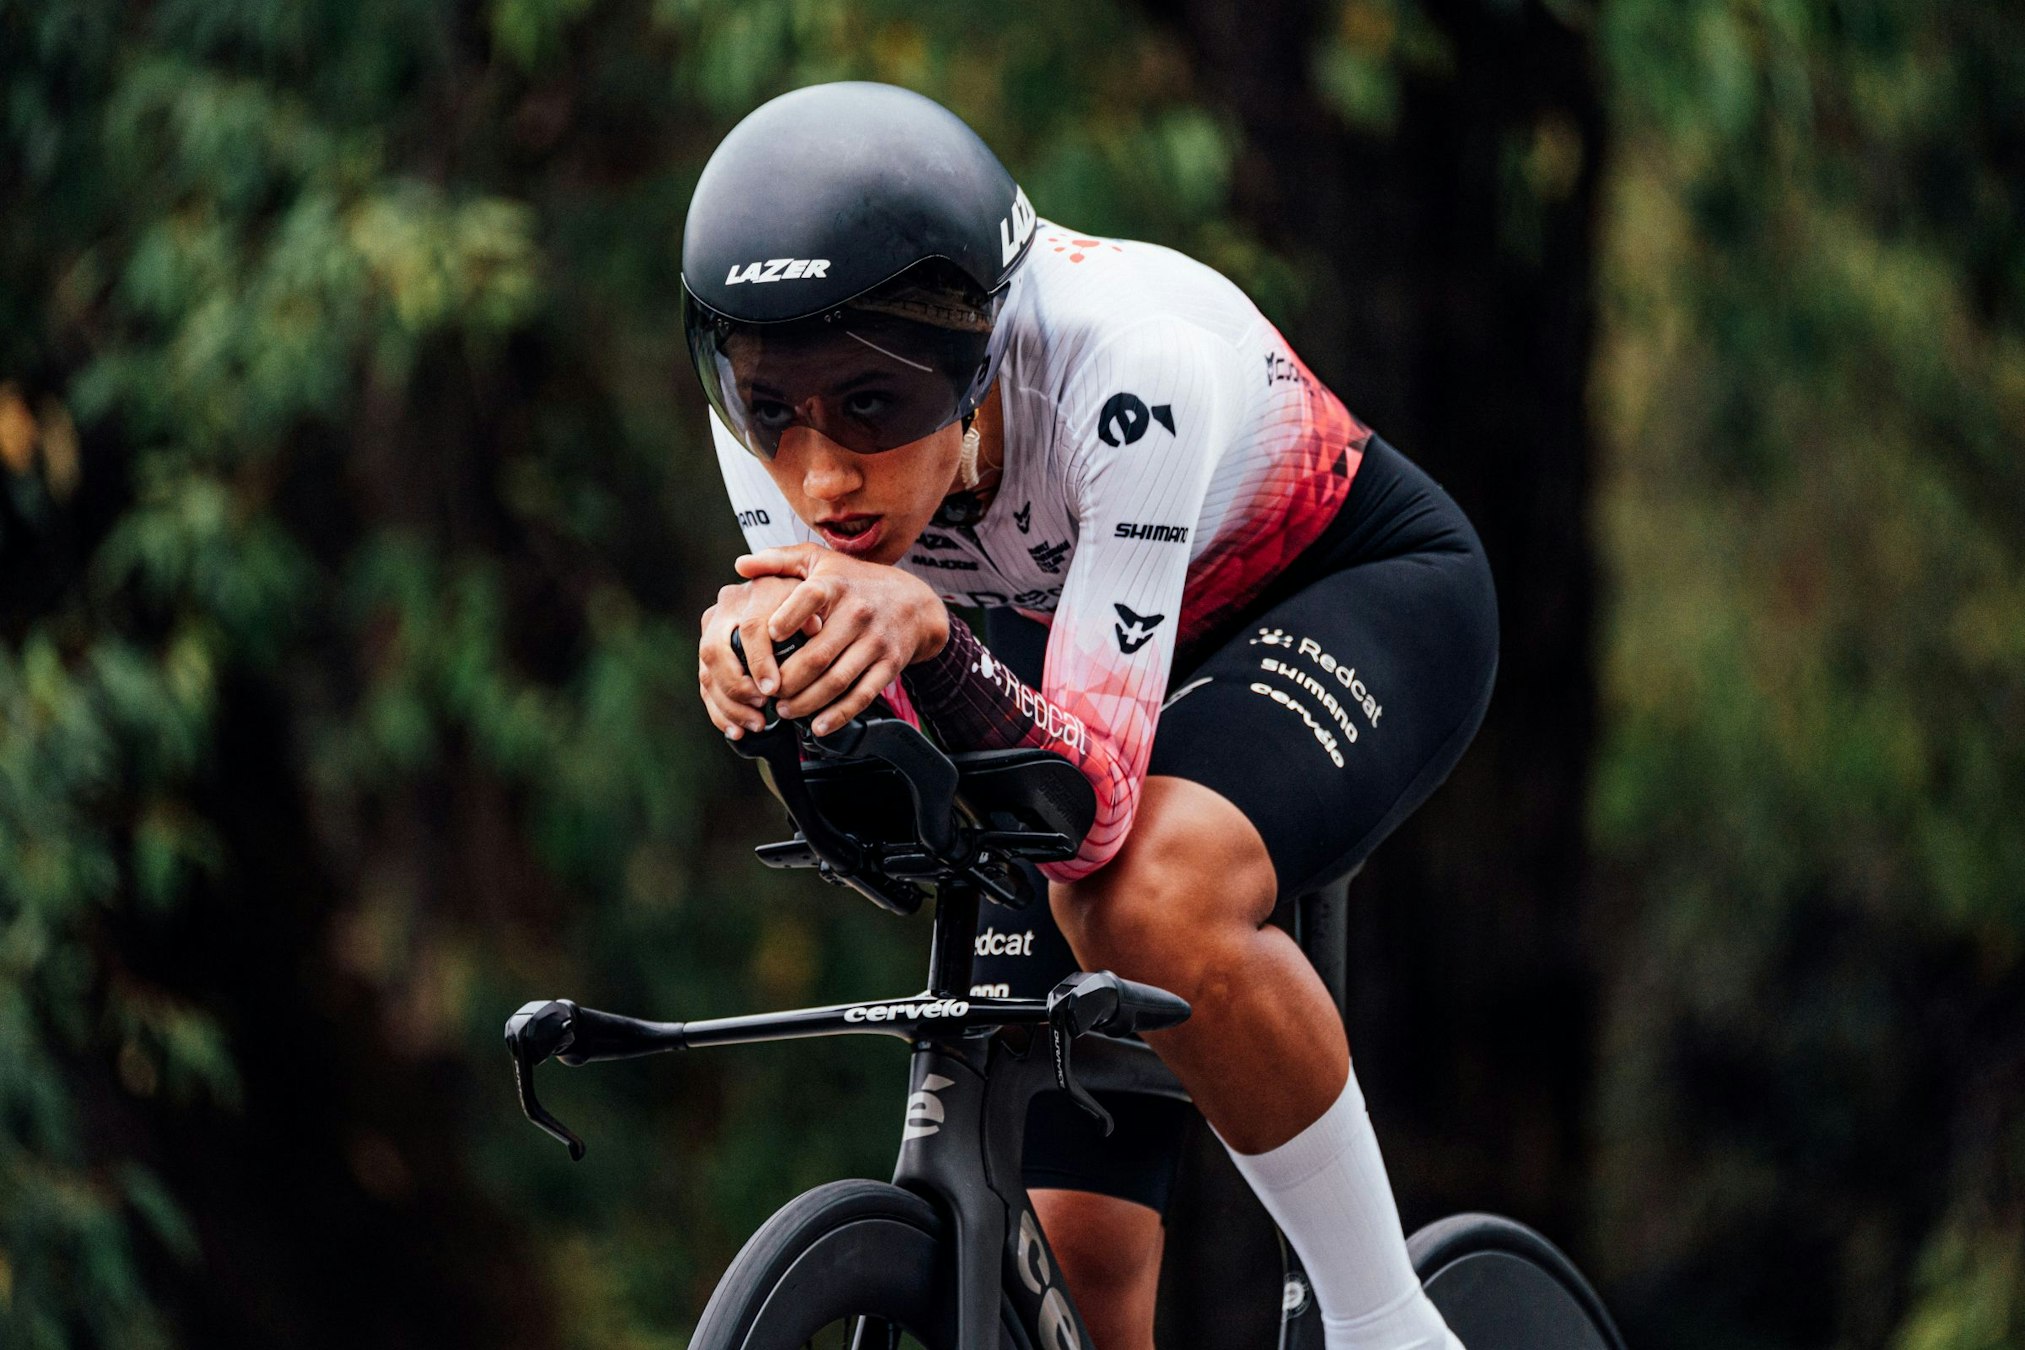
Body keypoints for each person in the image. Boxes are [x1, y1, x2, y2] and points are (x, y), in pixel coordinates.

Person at [687, 82, 1496, 1350]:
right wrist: (758, 676)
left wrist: (934, 638)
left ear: (975, 358)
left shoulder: (1129, 368)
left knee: (1141, 898)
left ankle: (1389, 1324)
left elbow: (1089, 813)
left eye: (872, 406)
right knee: (1076, 1249)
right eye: (772, 408)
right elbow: (881, 728)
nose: (819, 475)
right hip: (1061, 627)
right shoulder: (768, 419)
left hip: (1339, 590)